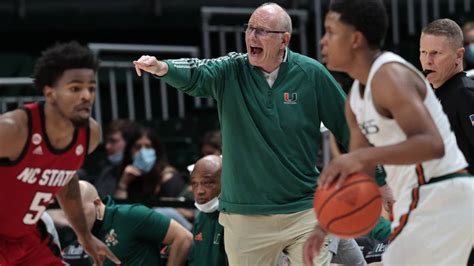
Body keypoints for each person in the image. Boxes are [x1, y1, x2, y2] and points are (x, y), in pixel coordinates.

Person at [133, 2, 351, 264]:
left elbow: (348, 126)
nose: (251, 36)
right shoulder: (230, 71)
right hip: (245, 217)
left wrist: (379, 178)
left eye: (261, 31)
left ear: (284, 40)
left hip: (303, 211)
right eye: (249, 28)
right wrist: (162, 68)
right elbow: (197, 72)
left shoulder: (311, 73)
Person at [303, 0, 474, 265]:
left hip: (443, 195)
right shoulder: (355, 101)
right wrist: (324, 224)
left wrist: (362, 158)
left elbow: (432, 144)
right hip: (418, 202)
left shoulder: (391, 75)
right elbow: (363, 175)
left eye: (331, 32)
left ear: (355, 39)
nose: (323, 41)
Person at [0, 41, 119, 265]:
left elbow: (66, 183)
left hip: (26, 239)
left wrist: (84, 236)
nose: (86, 96)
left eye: (91, 88)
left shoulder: (89, 135)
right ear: (50, 93)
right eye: (75, 88)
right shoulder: (12, 131)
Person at [78, 180, 192, 265]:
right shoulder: (86, 233)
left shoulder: (130, 215)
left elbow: (183, 237)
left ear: (97, 203)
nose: (74, 218)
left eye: (80, 211)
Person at [419, 18, 474, 174]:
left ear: (458, 55)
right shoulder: (432, 96)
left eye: (436, 53)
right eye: (423, 52)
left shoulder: (466, 95)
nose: (427, 61)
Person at [188, 155, 228, 266]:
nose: (199, 191)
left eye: (207, 183)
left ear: (226, 181)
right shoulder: (201, 216)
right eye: (194, 184)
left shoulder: (234, 218)